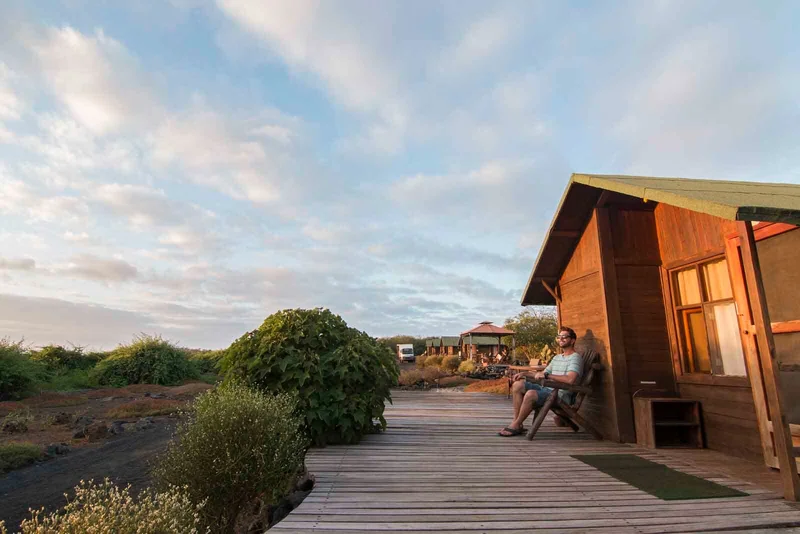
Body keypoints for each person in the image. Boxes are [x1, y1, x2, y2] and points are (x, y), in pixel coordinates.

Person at [498, 327, 582, 437]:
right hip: (548, 389)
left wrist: (547, 375)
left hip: (560, 394)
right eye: (559, 337)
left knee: (531, 393)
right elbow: (542, 373)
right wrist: (524, 374)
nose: (561, 339)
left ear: (573, 340)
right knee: (518, 385)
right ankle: (518, 423)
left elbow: (570, 379)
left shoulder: (575, 358)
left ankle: (516, 425)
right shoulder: (557, 357)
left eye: (564, 337)